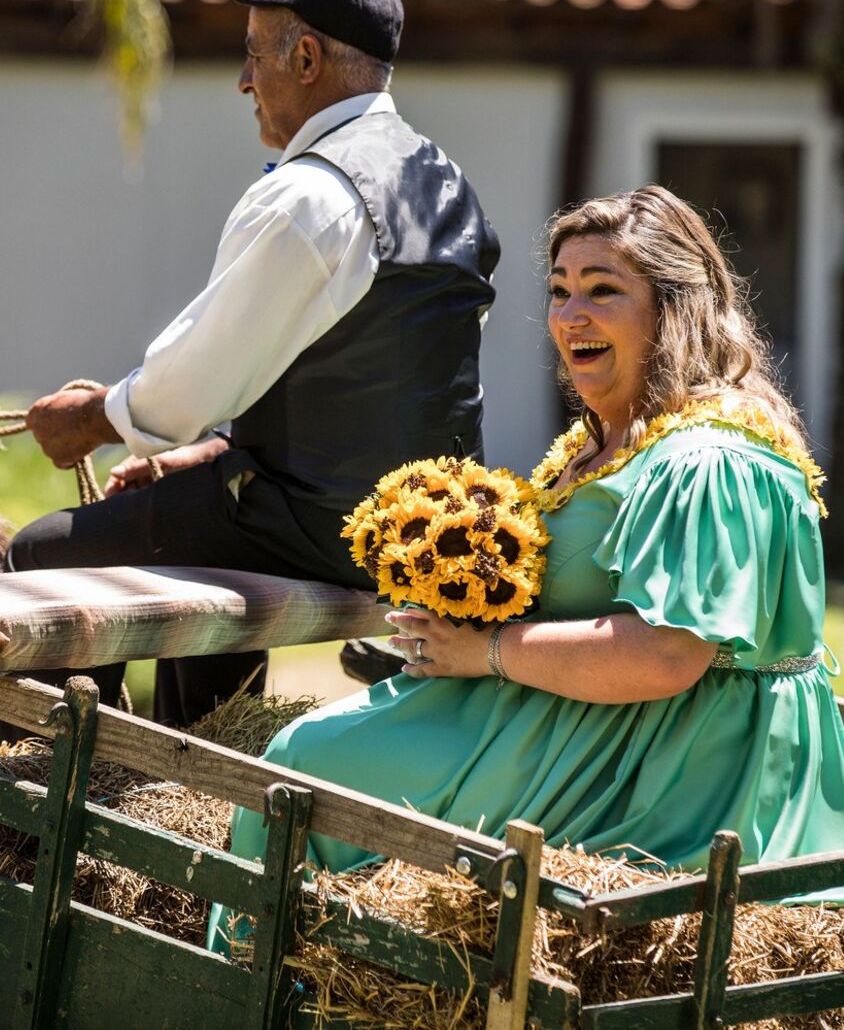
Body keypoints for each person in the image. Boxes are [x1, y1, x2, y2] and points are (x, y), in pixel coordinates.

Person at [208, 185, 844, 950]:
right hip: (600, 720)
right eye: (559, 291)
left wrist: (483, 653)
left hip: (669, 761)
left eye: (603, 292)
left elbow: (668, 654)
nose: (571, 315)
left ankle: (256, 981)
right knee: (304, 759)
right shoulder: (611, 441)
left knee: (304, 769)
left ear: (677, 310)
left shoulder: (709, 459)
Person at [10, 0, 500, 727]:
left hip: (318, 527)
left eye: (253, 52)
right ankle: (203, 755)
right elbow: (371, 379)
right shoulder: (442, 181)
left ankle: (73, 795)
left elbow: (189, 385)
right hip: (418, 526)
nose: (243, 79)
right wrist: (209, 454)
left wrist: (90, 421)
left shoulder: (309, 193)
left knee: (42, 555)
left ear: (305, 59)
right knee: (201, 518)